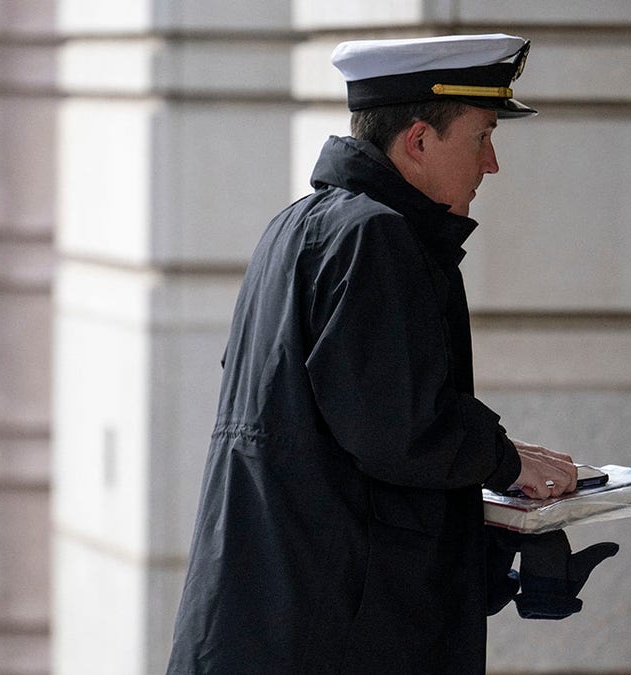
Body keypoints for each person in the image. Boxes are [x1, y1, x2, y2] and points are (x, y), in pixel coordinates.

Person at [167, 34, 587, 674]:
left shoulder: (299, 225)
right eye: (481, 136)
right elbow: (397, 432)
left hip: (273, 624)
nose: (491, 163)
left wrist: (486, 533)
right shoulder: (375, 236)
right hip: (328, 641)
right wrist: (503, 462)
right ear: (418, 140)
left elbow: (334, 441)